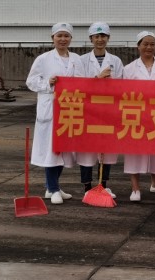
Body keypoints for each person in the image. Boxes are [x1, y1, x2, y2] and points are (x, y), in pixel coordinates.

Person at [26, 22, 85, 204]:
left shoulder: (76, 59)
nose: (62, 39)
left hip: (69, 110)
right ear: (52, 38)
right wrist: (48, 84)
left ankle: (51, 187)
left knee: (64, 151)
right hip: (50, 109)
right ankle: (53, 188)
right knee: (51, 151)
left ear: (71, 38)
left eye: (66, 36)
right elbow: (30, 81)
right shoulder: (43, 59)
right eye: (59, 35)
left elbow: (82, 82)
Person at [123, 31, 155, 202]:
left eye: (152, 44)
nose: (149, 47)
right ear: (138, 46)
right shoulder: (129, 68)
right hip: (136, 115)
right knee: (134, 151)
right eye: (145, 44)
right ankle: (135, 188)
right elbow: (123, 93)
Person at [77, 22, 124, 199]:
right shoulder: (81, 60)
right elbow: (78, 85)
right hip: (88, 110)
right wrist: (97, 78)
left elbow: (123, 85)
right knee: (87, 148)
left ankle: (103, 185)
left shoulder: (116, 61)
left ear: (108, 38)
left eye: (103, 36)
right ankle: (87, 186)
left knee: (107, 147)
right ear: (91, 39)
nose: (100, 39)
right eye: (96, 36)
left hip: (108, 110)